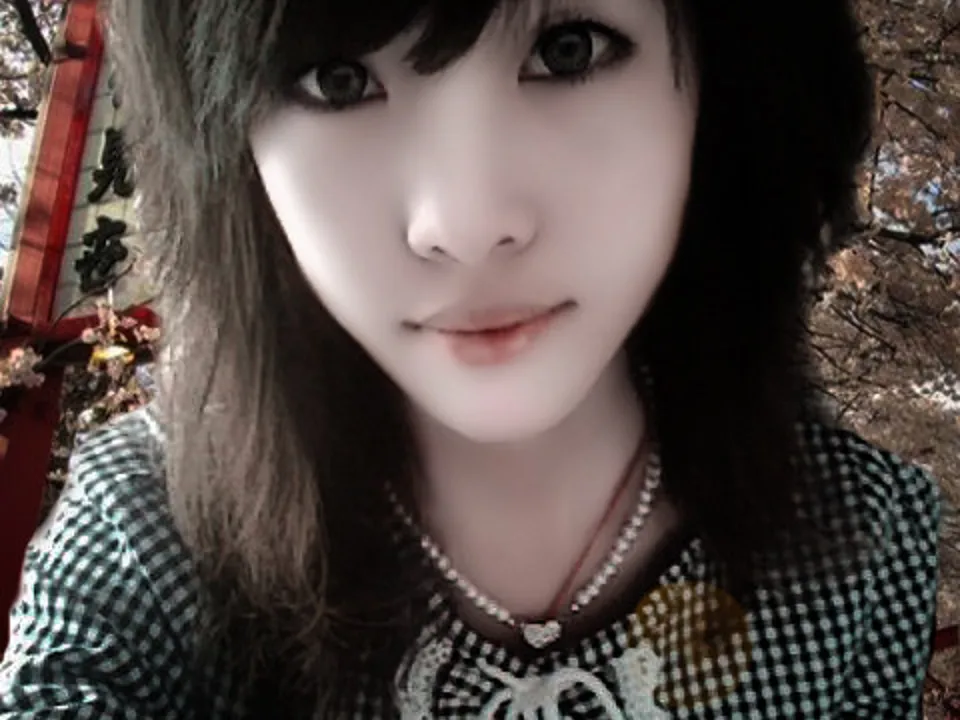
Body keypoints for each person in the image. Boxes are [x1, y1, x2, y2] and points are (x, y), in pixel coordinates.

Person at [0, 0, 942, 716]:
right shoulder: (149, 533)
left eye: (568, 49)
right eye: (338, 80)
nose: (465, 222)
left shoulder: (863, 538)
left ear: (719, 83)